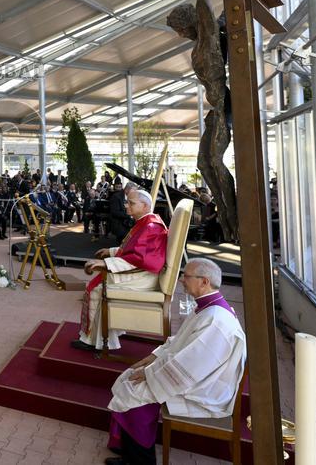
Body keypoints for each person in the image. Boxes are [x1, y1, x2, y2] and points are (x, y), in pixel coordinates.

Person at [105, 258, 246, 465]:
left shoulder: (216, 320)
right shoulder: (208, 308)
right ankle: (129, 453)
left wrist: (149, 373)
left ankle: (140, 461)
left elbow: (192, 365)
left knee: (133, 392)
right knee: (128, 379)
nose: (181, 280)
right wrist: (151, 358)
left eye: (186, 276)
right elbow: (179, 342)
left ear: (204, 281)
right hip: (191, 375)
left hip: (203, 388)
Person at [74, 189, 168, 351]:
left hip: (144, 276)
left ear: (145, 206)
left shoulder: (151, 226)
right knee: (97, 285)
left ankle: (101, 342)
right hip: (141, 271)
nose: (126, 206)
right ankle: (97, 337)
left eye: (131, 203)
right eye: (127, 202)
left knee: (98, 288)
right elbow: (133, 249)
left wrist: (106, 264)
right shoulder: (147, 222)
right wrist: (110, 252)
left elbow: (140, 258)